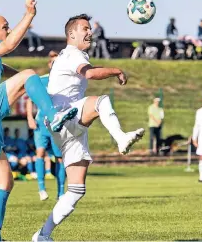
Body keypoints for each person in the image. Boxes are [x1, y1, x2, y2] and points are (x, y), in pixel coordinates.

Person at [0, 0, 77, 241]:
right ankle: (55, 118)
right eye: (4, 26)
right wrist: (29, 15)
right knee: (28, 75)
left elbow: (22, 80)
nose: (8, 30)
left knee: (5, 181)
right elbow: (12, 46)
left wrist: (52, 80)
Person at [32, 13, 145, 242]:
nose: (89, 32)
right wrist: (117, 70)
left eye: (90, 28)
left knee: (76, 190)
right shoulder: (73, 54)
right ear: (71, 34)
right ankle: (121, 138)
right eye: (85, 28)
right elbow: (91, 74)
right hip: (64, 115)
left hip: (67, 128)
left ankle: (42, 236)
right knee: (101, 101)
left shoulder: (71, 55)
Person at [26, 50, 66, 201]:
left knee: (59, 158)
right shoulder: (41, 80)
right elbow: (30, 99)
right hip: (41, 124)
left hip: (57, 125)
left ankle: (61, 192)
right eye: (53, 62)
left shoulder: (64, 83)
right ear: (49, 65)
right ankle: (41, 189)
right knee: (40, 153)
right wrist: (30, 117)